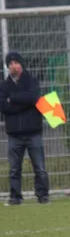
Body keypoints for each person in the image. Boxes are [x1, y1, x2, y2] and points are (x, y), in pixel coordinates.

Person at [0, 52, 50, 205]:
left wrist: (13, 99)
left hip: (33, 131)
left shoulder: (32, 81)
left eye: (16, 63)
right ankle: (15, 197)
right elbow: (4, 107)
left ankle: (43, 196)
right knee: (14, 169)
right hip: (14, 134)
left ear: (21, 64)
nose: (13, 66)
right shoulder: (4, 85)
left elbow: (34, 97)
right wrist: (26, 104)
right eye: (11, 64)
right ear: (8, 67)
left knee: (40, 167)